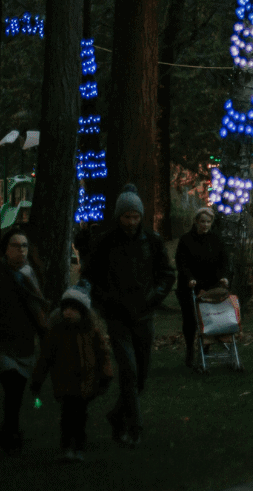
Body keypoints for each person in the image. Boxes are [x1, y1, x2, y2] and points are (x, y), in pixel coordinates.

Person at [86, 184, 174, 447]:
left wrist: (154, 297)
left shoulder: (152, 241)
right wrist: (104, 303)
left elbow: (167, 274)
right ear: (119, 216)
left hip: (144, 315)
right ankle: (134, 427)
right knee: (129, 372)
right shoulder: (105, 243)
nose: (132, 222)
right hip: (117, 317)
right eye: (127, 217)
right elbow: (91, 277)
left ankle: (117, 415)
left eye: (136, 217)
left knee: (141, 377)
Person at [0, 228, 49, 455]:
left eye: (24, 245)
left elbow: (37, 310)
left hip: (24, 342)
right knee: (12, 385)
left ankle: (9, 430)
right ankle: (11, 432)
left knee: (17, 392)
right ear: (6, 249)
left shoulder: (31, 274)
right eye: (16, 245)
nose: (21, 250)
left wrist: (46, 337)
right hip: (0, 343)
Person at [29, 287, 114, 462]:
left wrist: (105, 375)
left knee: (80, 415)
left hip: (85, 382)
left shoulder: (91, 332)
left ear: (82, 312)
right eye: (66, 308)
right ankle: (68, 446)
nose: (68, 312)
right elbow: (45, 358)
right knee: (68, 415)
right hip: (65, 382)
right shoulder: (57, 333)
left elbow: (103, 354)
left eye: (73, 309)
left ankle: (78, 447)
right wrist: (37, 379)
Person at [174, 207, 230, 367]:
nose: (205, 225)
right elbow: (181, 262)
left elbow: (223, 260)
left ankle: (206, 347)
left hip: (210, 284)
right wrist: (189, 278)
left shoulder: (216, 239)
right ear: (196, 222)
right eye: (202, 221)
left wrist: (223, 276)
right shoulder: (186, 240)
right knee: (190, 320)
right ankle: (190, 349)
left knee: (209, 318)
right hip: (190, 285)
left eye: (208, 222)